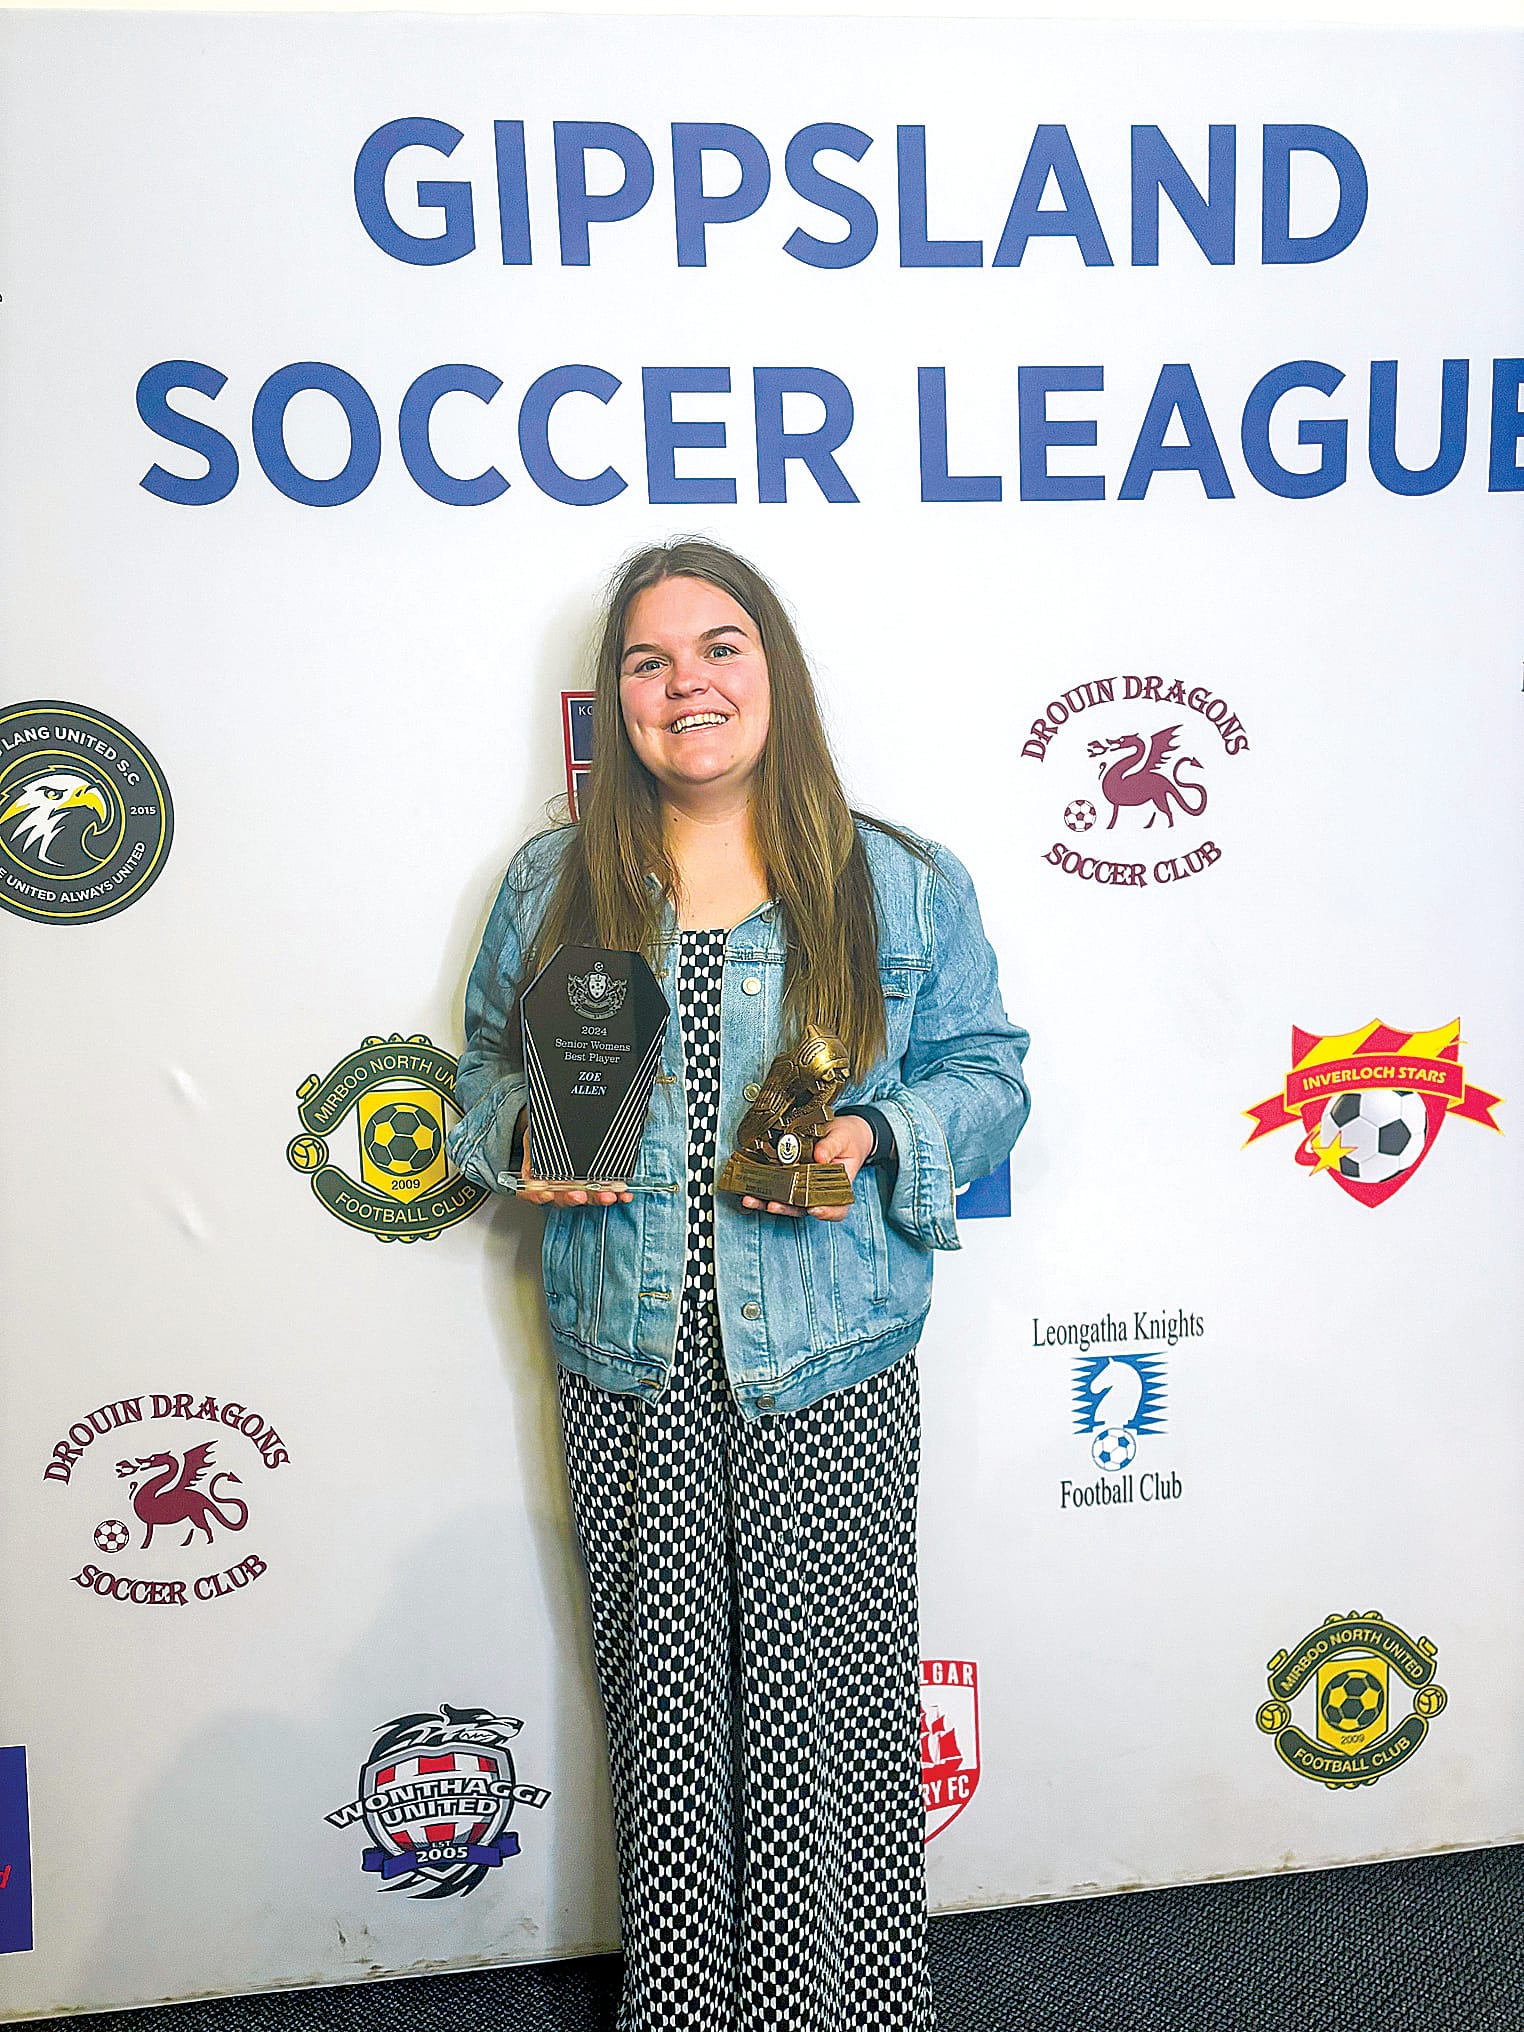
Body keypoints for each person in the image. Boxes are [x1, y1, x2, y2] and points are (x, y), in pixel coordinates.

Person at [449, 538, 1030, 2032]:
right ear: (615, 700)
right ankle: (692, 2012)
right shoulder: (555, 885)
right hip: (626, 1368)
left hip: (829, 1368)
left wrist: (881, 1127)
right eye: (648, 661)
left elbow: (989, 1076)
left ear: (774, 673)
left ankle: (842, 2009)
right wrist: (521, 1137)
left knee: (825, 1716)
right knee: (670, 1714)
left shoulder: (893, 882)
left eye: (719, 648)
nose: (684, 685)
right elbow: (480, 1085)